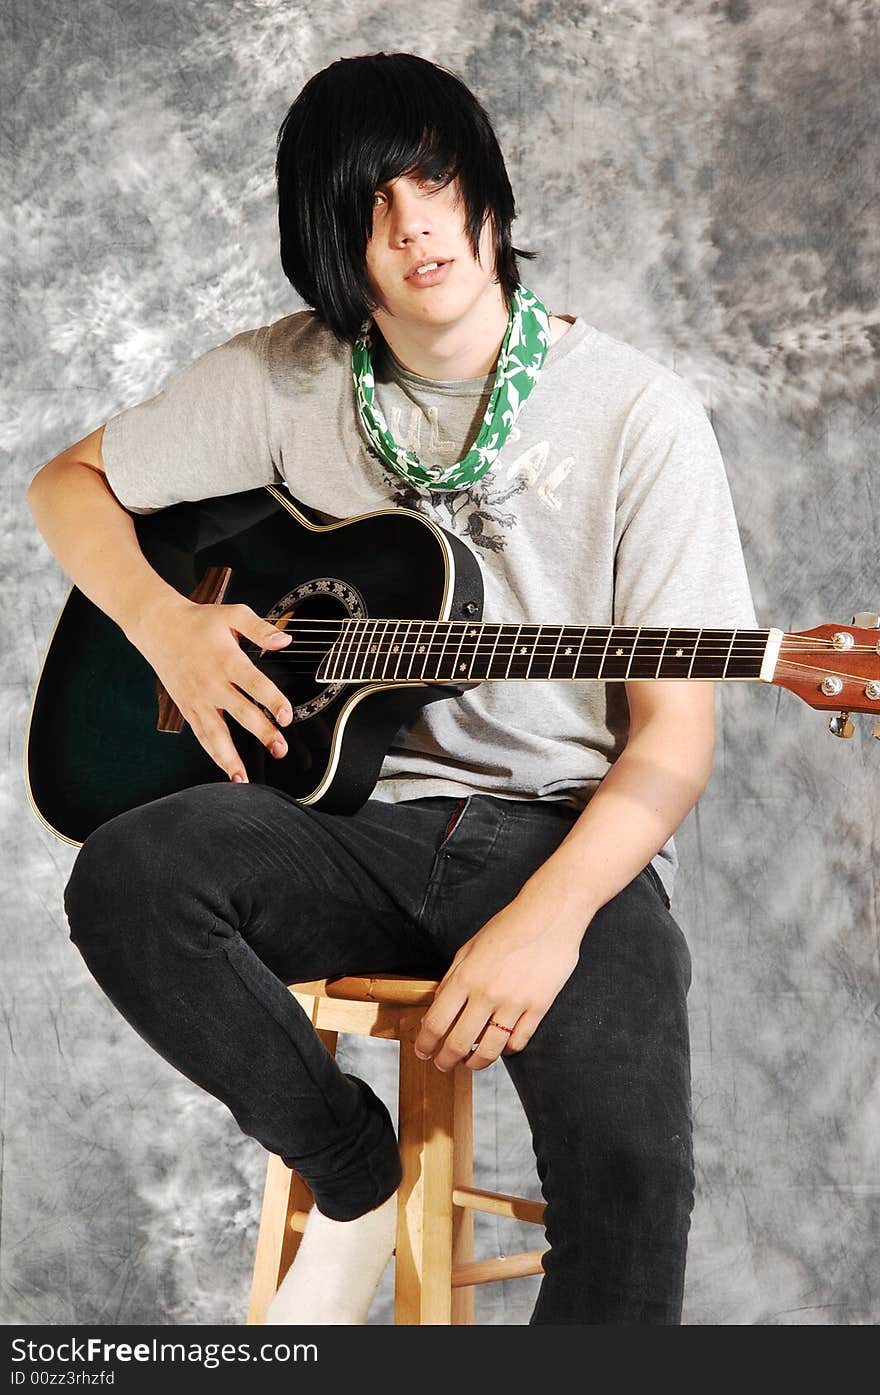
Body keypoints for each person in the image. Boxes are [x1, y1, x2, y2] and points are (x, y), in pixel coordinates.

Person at [28, 51, 757, 1326]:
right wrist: (167, 627)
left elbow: (673, 740)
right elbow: (65, 487)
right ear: (328, 239)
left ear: (483, 186)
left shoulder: (639, 415)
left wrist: (551, 918)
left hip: (566, 838)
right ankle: (359, 1177)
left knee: (634, 1181)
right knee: (126, 875)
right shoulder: (284, 375)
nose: (414, 222)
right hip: (345, 826)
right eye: (369, 202)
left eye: (434, 178)